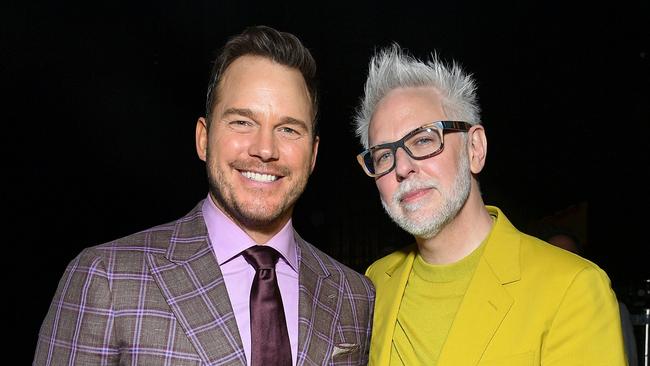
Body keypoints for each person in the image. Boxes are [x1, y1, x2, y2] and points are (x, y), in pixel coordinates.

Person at [34, 26, 374, 365]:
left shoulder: (353, 295)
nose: (265, 149)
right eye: (242, 122)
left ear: (313, 155)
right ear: (203, 139)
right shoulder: (107, 277)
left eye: (288, 129)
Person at [352, 44, 626, 365]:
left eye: (423, 140)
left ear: (475, 149)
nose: (402, 167)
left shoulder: (572, 287)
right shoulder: (374, 283)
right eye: (384, 155)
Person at [544, 228, 639, 366]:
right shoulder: (528, 306)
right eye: (555, 255)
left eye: (569, 256)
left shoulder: (612, 306)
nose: (562, 262)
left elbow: (628, 358)